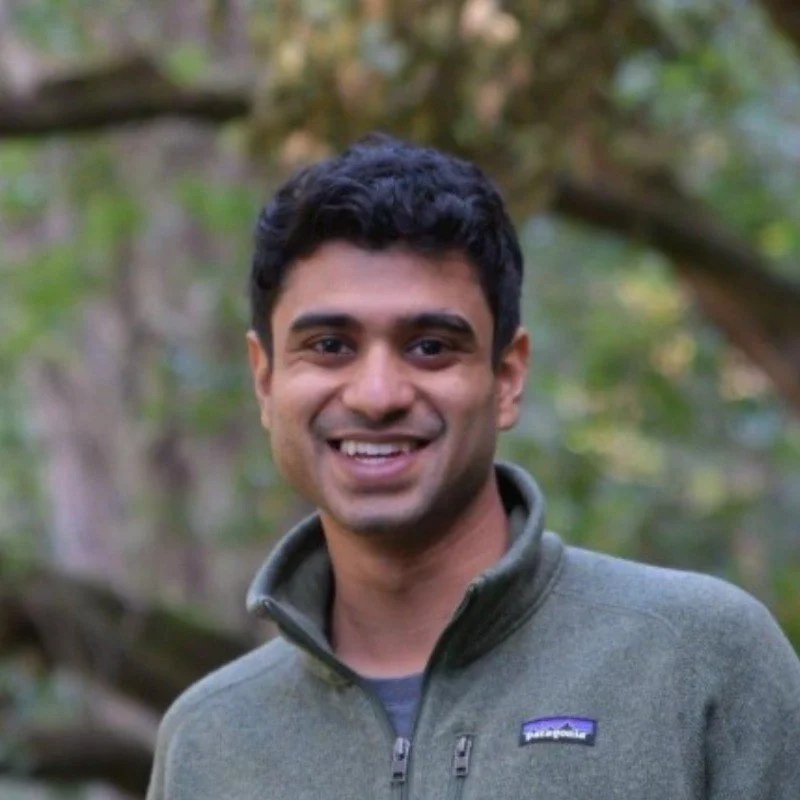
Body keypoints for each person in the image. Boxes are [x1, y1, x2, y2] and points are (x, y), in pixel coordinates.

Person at [146, 134, 800, 800]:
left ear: (507, 378)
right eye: (331, 345)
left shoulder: (698, 659)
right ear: (265, 381)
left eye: (430, 347)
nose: (377, 395)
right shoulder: (210, 740)